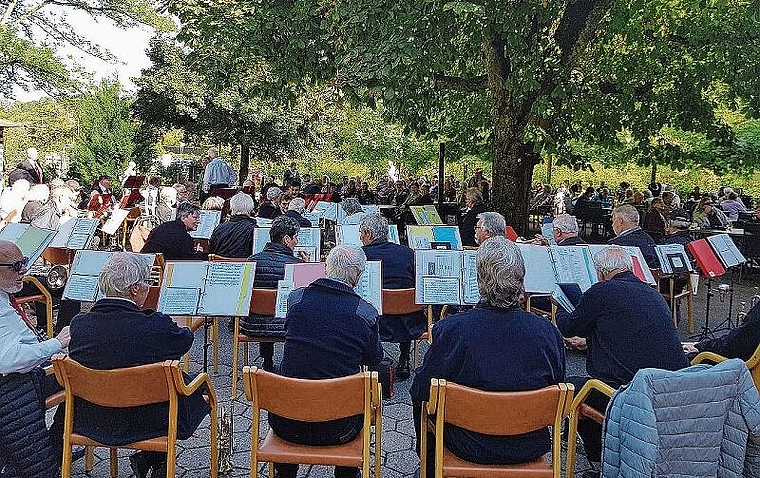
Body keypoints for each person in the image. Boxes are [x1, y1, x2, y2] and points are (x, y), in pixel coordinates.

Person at [411, 237, 565, 473]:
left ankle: (429, 467)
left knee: (420, 396)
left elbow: (423, 390)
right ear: (521, 280)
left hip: (468, 444)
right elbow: (556, 385)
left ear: (479, 280)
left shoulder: (452, 330)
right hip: (528, 444)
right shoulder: (547, 332)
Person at [66, 253, 209, 478]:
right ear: (134, 289)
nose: (149, 288)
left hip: (92, 420)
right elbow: (184, 340)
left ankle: (152, 459)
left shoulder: (80, 325)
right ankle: (153, 457)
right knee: (188, 388)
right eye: (147, 283)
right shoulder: (154, 326)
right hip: (147, 423)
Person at [555, 246, 688, 470]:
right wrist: (590, 342)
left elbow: (569, 327)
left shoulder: (601, 292)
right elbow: (630, 333)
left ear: (601, 273)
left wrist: (559, 308)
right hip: (671, 387)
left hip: (631, 393)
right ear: (629, 268)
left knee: (577, 388)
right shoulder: (653, 294)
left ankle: (599, 462)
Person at [271, 244, 383, 478]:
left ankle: (285, 471)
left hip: (286, 422)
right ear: (359, 276)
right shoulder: (365, 312)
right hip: (340, 427)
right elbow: (375, 359)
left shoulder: (296, 299)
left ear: (326, 268)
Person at [0, 240, 74, 477]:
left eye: (25, 263)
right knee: (84, 378)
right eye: (16, 266)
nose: (24, 270)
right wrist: (56, 343)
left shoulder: (4, 296)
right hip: (12, 387)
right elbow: (9, 360)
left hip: (20, 378)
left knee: (79, 374)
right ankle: (58, 446)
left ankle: (57, 444)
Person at [359, 214, 425, 380]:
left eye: (361, 233)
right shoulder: (408, 252)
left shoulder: (361, 255)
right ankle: (404, 358)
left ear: (368, 233)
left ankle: (372, 358)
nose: (360, 237)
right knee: (403, 304)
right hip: (410, 322)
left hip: (377, 322)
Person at [243, 216, 305, 371]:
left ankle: (267, 360)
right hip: (286, 326)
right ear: (286, 239)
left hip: (252, 324)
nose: (296, 242)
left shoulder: (252, 260)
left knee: (267, 311)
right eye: (295, 237)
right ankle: (290, 363)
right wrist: (307, 266)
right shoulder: (296, 265)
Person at [684, 300, 760, 361]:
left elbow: (734, 345)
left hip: (738, 366)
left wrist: (700, 347)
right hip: (742, 357)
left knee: (680, 358)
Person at [141, 202, 207, 260]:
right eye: (195, 218)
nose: (198, 221)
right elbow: (189, 261)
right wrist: (199, 253)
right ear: (183, 218)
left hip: (145, 263)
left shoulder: (163, 226)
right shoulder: (184, 236)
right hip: (164, 270)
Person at [209, 192, 257, 258]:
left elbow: (211, 251)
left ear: (231, 208)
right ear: (251, 209)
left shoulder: (219, 228)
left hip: (220, 267)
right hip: (244, 267)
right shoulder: (254, 230)